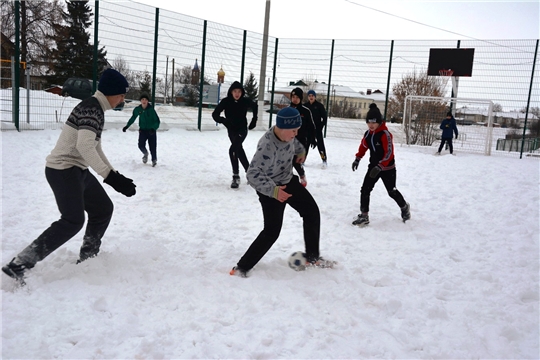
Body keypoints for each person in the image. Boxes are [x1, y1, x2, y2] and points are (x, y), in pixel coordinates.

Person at [2, 68, 137, 284]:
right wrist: (110, 178)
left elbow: (95, 147)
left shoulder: (95, 108)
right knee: (72, 220)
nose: (122, 99)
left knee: (102, 209)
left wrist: (115, 176)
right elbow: (84, 147)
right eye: (121, 94)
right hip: (63, 170)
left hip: (77, 170)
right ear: (110, 92)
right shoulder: (92, 108)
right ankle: (20, 263)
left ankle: (88, 257)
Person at [230, 107, 333, 277]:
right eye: (293, 130)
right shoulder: (267, 145)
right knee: (272, 231)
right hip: (270, 190)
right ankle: (242, 268)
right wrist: (274, 191)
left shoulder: (288, 135)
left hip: (287, 181)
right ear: (282, 127)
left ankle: (312, 257)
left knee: (311, 212)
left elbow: (295, 143)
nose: (295, 133)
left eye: (297, 130)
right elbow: (252, 174)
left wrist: (300, 151)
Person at [351, 103, 410, 227]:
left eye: (374, 122)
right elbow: (363, 146)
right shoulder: (368, 134)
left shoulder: (385, 134)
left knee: (391, 191)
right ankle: (364, 215)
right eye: (369, 122)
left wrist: (381, 166)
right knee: (365, 189)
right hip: (373, 167)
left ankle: (404, 207)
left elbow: (389, 153)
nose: (371, 125)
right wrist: (358, 158)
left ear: (379, 122)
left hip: (387, 168)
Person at [212, 81, 258, 189]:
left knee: (233, 149)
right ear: (231, 92)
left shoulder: (245, 101)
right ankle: (249, 172)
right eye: (235, 91)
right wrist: (223, 120)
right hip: (231, 130)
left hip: (242, 130)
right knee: (238, 149)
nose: (237, 94)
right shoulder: (226, 101)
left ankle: (236, 176)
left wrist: (254, 120)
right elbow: (215, 114)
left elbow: (255, 106)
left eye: (239, 91)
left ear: (242, 92)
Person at [122, 93, 161, 167]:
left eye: (146, 100)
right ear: (140, 101)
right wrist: (127, 126)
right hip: (142, 131)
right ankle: (145, 153)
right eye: (142, 99)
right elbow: (133, 118)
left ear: (147, 101)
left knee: (152, 146)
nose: (144, 101)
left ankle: (154, 160)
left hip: (151, 131)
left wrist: (153, 128)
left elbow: (157, 121)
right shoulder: (138, 109)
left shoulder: (151, 110)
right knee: (140, 145)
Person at [289, 87, 316, 186]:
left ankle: (302, 175)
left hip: (301, 141)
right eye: (293, 97)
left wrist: (313, 138)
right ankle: (287, 179)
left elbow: (311, 126)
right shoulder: (288, 110)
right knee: (287, 160)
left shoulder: (306, 111)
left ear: (300, 98)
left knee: (296, 161)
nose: (295, 99)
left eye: (297, 97)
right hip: (289, 140)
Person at [304, 89, 328, 168]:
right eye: (309, 96)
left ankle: (324, 160)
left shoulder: (319, 106)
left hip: (317, 130)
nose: (311, 97)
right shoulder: (305, 106)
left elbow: (324, 118)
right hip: (307, 130)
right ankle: (302, 161)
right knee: (305, 145)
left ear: (315, 97)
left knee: (320, 145)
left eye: (312, 96)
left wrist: (320, 127)